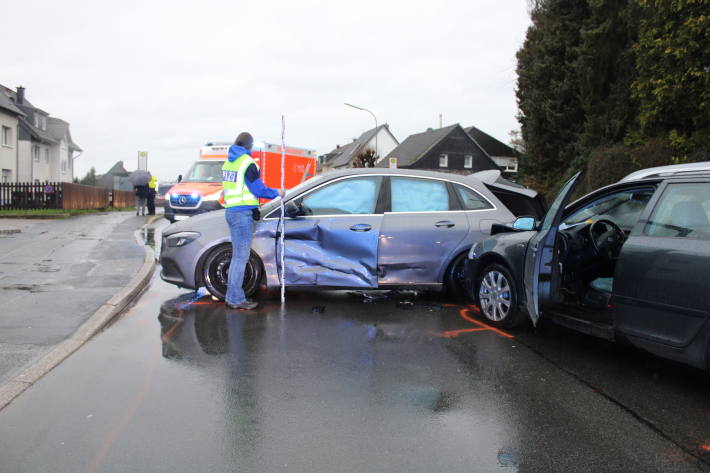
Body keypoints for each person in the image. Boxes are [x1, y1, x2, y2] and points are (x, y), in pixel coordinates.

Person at [222, 132, 284, 310]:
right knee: (241, 258)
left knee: (237, 257)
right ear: (249, 146)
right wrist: (277, 192)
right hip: (242, 215)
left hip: (232, 211)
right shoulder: (247, 163)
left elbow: (238, 189)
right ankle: (235, 299)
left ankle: (232, 296)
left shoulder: (229, 162)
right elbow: (258, 189)